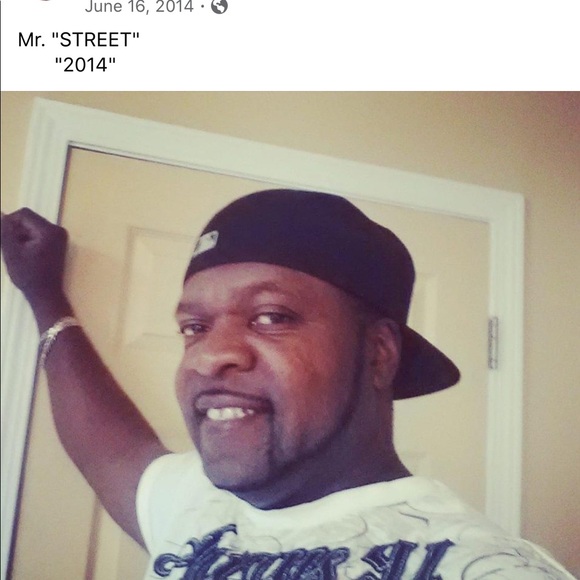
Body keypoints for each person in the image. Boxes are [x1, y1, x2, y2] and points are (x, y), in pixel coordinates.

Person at [1, 190, 574, 579]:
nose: (210, 356)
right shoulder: (196, 504)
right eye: (194, 327)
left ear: (378, 354)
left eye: (271, 316)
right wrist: (43, 293)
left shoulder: (477, 564)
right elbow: (105, 448)